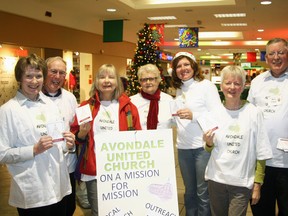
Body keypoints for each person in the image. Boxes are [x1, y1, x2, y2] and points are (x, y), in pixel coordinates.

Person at [0, 54, 74, 216]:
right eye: (29, 76)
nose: (34, 81)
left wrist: (68, 144)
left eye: (39, 76)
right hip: (33, 193)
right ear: (19, 78)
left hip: (59, 188)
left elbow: (59, 144)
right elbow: (2, 154)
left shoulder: (51, 105)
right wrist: (33, 149)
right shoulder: (8, 111)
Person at [71, 64, 141, 216]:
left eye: (111, 77)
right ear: (96, 81)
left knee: (124, 210)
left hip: (122, 170)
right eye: (102, 77)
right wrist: (82, 134)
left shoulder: (129, 108)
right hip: (94, 171)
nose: (106, 81)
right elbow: (76, 138)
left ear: (118, 81)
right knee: (99, 212)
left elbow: (138, 138)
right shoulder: (86, 107)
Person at [203, 65, 273, 216]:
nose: (232, 87)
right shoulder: (214, 113)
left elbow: (262, 151)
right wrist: (208, 143)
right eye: (228, 83)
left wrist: (257, 185)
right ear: (221, 86)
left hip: (241, 183)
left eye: (237, 83)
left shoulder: (254, 113)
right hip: (216, 180)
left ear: (243, 87)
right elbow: (209, 148)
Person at [171, 51, 222, 216]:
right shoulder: (178, 89)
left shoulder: (206, 86)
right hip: (183, 147)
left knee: (202, 192)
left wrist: (195, 116)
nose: (183, 68)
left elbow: (217, 115)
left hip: (202, 148)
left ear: (193, 66)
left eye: (186, 64)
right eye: (178, 66)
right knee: (189, 191)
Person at [247, 38, 288, 216]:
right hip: (260, 161)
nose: (276, 57)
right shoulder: (258, 82)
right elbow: (247, 116)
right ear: (266, 57)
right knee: (261, 210)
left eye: (281, 52)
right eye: (271, 53)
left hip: (286, 163)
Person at [42, 56, 80, 215]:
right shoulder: (35, 98)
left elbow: (76, 127)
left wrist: (75, 136)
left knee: (68, 207)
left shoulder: (70, 98)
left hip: (67, 165)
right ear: (44, 73)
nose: (57, 76)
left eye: (62, 73)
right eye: (53, 71)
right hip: (44, 167)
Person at [130, 63, 174, 130]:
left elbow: (177, 122)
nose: (148, 82)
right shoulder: (132, 101)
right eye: (144, 79)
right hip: (140, 140)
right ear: (140, 82)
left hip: (163, 139)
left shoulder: (168, 100)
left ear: (158, 80)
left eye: (151, 79)